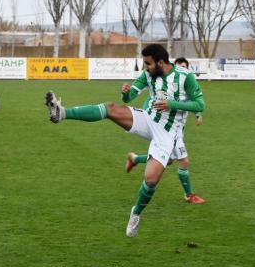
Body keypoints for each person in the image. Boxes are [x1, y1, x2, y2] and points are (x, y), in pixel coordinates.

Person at [45, 44, 205, 237]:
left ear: (160, 62)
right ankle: (61, 113)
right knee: (111, 108)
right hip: (148, 118)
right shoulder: (148, 74)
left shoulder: (184, 76)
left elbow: (199, 104)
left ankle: (136, 213)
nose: (145, 67)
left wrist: (171, 104)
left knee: (151, 179)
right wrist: (125, 92)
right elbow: (129, 98)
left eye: (148, 63)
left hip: (168, 132)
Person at [125, 57, 205, 204]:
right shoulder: (166, 85)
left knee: (168, 160)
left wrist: (199, 115)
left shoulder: (185, 84)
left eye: (185, 67)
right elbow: (151, 101)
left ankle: (135, 158)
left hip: (178, 128)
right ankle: (189, 195)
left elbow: (195, 103)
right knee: (183, 160)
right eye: (181, 66)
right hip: (168, 129)